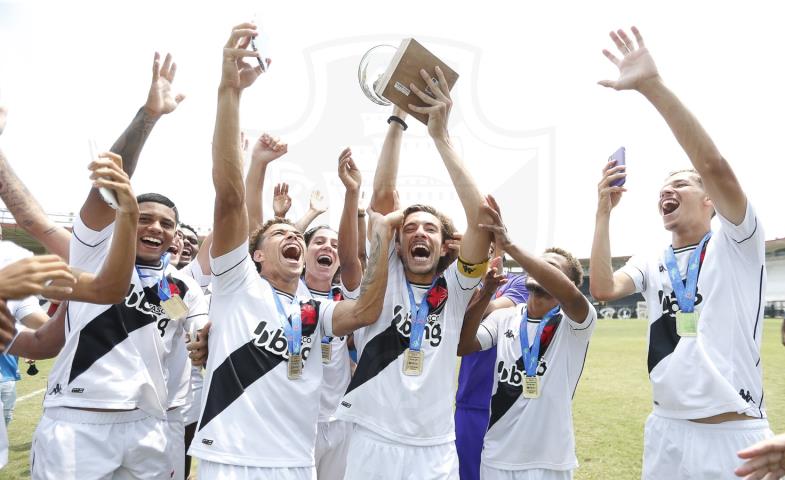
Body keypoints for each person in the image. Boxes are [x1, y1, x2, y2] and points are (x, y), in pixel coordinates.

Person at [188, 23, 400, 479]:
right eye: (278, 234)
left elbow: (363, 311)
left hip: (297, 463)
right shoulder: (235, 281)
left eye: (296, 237)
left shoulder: (313, 311)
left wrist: (379, 232)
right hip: (230, 460)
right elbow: (229, 197)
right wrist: (230, 92)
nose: (293, 239)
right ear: (255, 254)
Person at [589, 26, 772, 478]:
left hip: (732, 434)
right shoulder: (652, 260)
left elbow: (715, 168)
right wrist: (603, 213)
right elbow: (603, 287)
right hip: (667, 430)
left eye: (680, 184)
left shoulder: (738, 243)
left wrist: (651, 87)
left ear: (709, 199)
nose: (666, 192)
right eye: (662, 188)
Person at [334, 66, 492, 479]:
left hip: (435, 449)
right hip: (372, 439)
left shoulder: (455, 288)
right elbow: (384, 198)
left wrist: (441, 136)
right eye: (410, 229)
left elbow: (481, 222)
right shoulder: (384, 277)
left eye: (430, 229)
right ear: (399, 244)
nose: (419, 233)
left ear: (443, 245)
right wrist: (398, 116)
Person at [456, 196, 595, 479]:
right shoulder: (505, 317)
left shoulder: (576, 323)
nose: (538, 269)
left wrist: (510, 246)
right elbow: (464, 345)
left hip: (549, 461)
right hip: (497, 456)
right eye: (538, 265)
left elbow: (569, 295)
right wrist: (485, 293)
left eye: (552, 269)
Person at [455, 246, 528, 480]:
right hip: (468, 399)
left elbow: (490, 309)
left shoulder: (520, 282)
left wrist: (483, 288)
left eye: (491, 242)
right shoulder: (458, 282)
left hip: (504, 403)